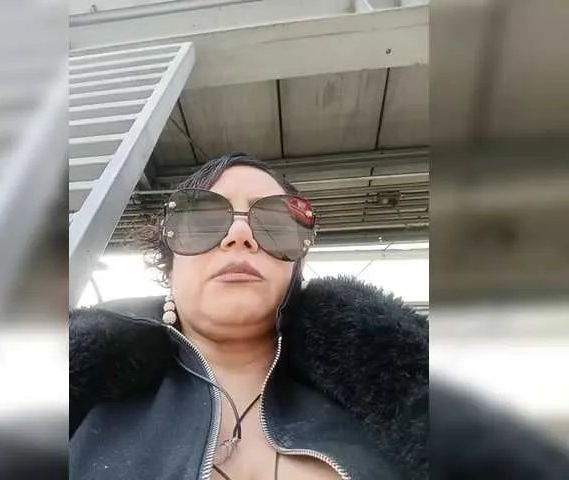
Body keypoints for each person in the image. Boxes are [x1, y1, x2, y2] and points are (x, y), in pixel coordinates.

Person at [69, 154, 428, 480]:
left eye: (274, 224)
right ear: (170, 262)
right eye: (203, 220)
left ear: (294, 268)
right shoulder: (73, 396)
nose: (240, 235)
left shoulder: (392, 400)